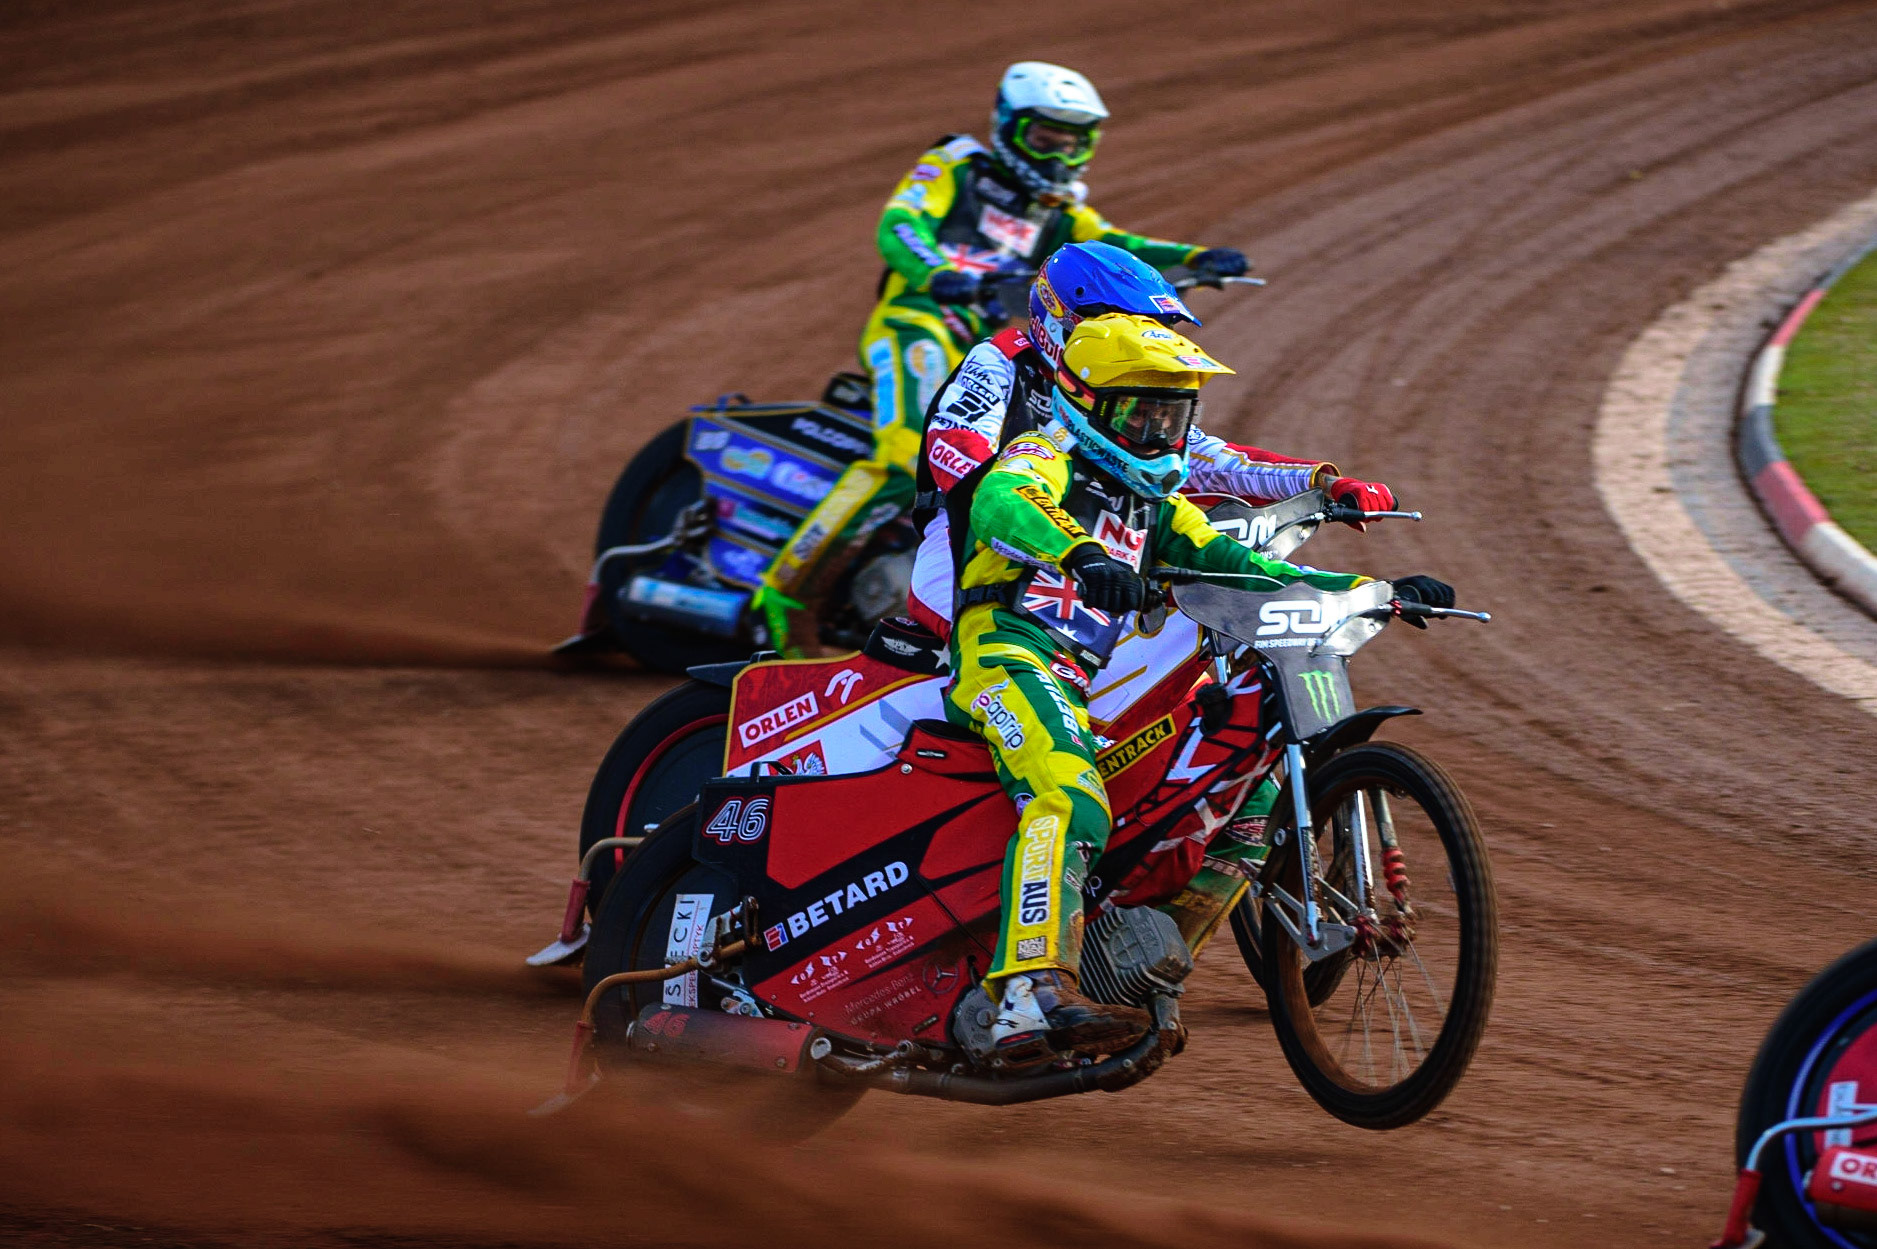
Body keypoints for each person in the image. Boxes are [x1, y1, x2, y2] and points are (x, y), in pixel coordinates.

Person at [942, 313, 1454, 1063]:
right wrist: (1079, 550)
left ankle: (1139, 973)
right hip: (1006, 651)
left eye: (1171, 413)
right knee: (1069, 792)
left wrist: (1376, 591)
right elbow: (1000, 503)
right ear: (1086, 401)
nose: (1156, 429)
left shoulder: (1159, 504)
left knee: (1232, 793)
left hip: (1090, 677)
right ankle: (1023, 997)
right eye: (1140, 410)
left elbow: (1249, 569)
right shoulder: (1041, 452)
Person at [756, 61, 1251, 654]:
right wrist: (935, 273)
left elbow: (1119, 249)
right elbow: (900, 224)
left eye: (1073, 140)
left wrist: (1197, 257)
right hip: (917, 322)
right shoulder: (958, 163)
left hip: (991, 336)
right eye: (1046, 136)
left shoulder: (1059, 207)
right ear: (1009, 126)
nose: (1059, 152)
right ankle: (780, 592)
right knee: (899, 452)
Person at [905, 239, 1398, 638]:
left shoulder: (1129, 388)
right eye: (1121, 322)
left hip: (1107, 546)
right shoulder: (1001, 362)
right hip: (976, 551)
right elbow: (959, 460)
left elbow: (1208, 457)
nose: (1139, 338)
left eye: (1152, 326)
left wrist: (1322, 483)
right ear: (1062, 315)